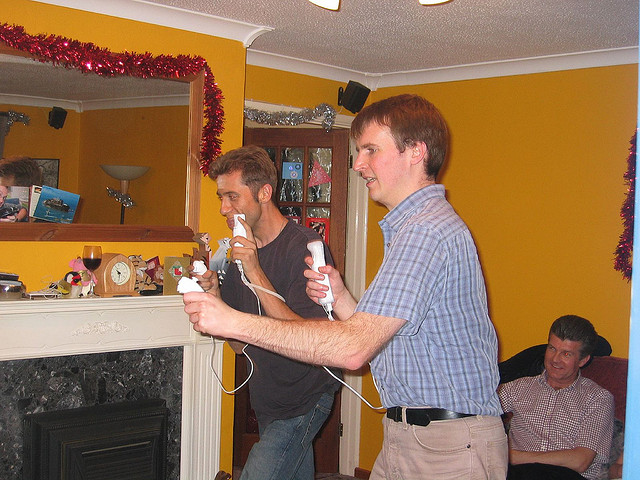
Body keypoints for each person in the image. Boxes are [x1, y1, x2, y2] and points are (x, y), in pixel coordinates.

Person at [184, 94, 508, 478]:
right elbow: (384, 339)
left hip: (447, 444)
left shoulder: (425, 231)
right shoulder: (409, 230)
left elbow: (354, 350)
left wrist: (229, 320)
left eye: (371, 150)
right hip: (408, 434)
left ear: (415, 152)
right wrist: (340, 297)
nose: (357, 165)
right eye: (358, 151)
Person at [194, 145, 341, 480]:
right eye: (221, 197)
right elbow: (238, 345)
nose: (223, 208)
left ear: (264, 192)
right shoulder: (239, 255)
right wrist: (213, 296)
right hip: (268, 401)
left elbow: (310, 341)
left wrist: (255, 271)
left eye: (232, 196)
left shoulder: (304, 247)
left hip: (305, 397)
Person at [498, 315, 614, 480]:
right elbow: (480, 410)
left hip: (568, 476)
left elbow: (581, 461)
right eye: (552, 348)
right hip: (519, 474)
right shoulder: (516, 388)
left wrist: (511, 457)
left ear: (583, 360)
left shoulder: (597, 398)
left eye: (566, 354)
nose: (555, 359)